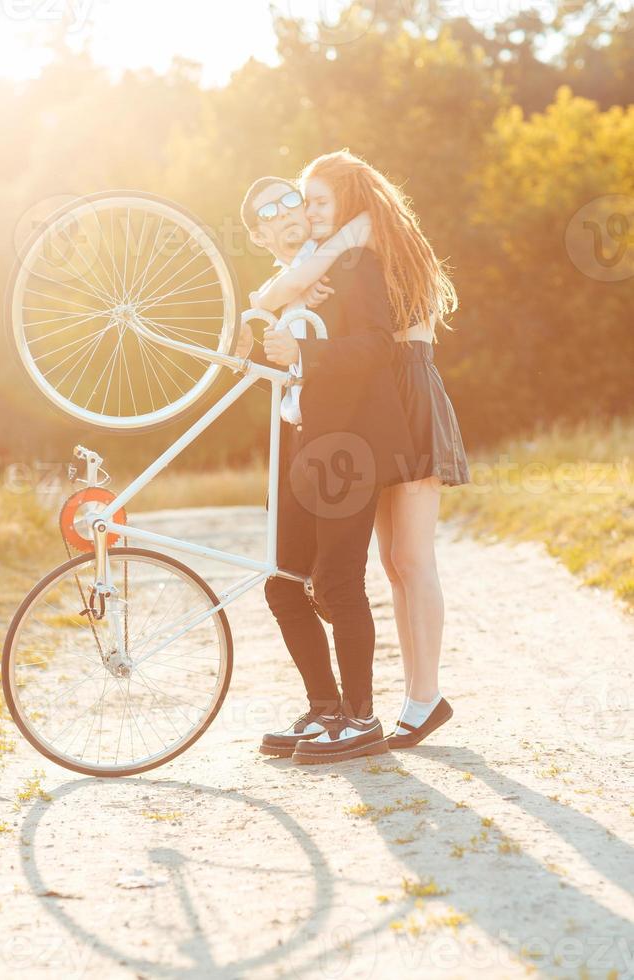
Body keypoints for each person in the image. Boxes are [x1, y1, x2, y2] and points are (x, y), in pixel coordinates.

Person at [250, 150, 471, 749]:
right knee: (393, 561)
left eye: (318, 201)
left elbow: (289, 285)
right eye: (308, 201)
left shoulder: (363, 231)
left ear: (347, 199)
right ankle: (408, 699)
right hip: (378, 396)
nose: (310, 211)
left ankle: (424, 697)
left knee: (413, 558)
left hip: (408, 391)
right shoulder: (350, 244)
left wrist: (292, 293)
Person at [237, 175, 418, 764]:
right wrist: (244, 336)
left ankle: (361, 718)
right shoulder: (277, 293)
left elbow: (379, 344)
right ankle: (325, 710)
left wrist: (308, 355)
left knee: (337, 580)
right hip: (296, 443)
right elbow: (253, 365)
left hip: (348, 442)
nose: (289, 212)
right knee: (283, 582)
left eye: (295, 198)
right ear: (261, 236)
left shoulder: (351, 264)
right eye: (271, 211)